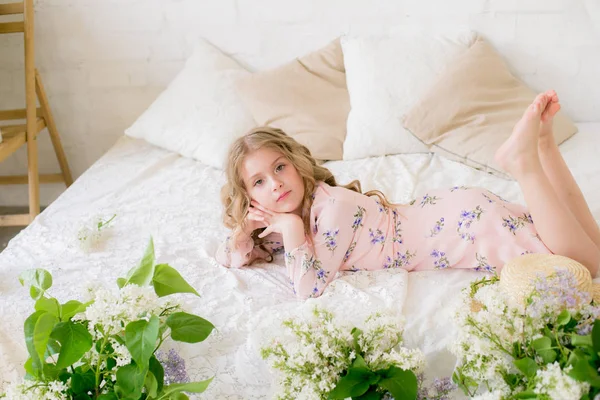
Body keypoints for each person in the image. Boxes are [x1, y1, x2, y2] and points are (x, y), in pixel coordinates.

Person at [216, 90, 600, 299]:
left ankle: (524, 164)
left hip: (461, 229)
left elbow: (309, 287)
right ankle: (545, 148)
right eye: (259, 182)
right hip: (455, 212)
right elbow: (231, 258)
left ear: (298, 163)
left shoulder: (332, 207)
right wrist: (243, 231)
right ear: (249, 196)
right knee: (594, 248)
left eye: (280, 167)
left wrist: (291, 231)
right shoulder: (294, 215)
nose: (276, 184)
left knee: (586, 265)